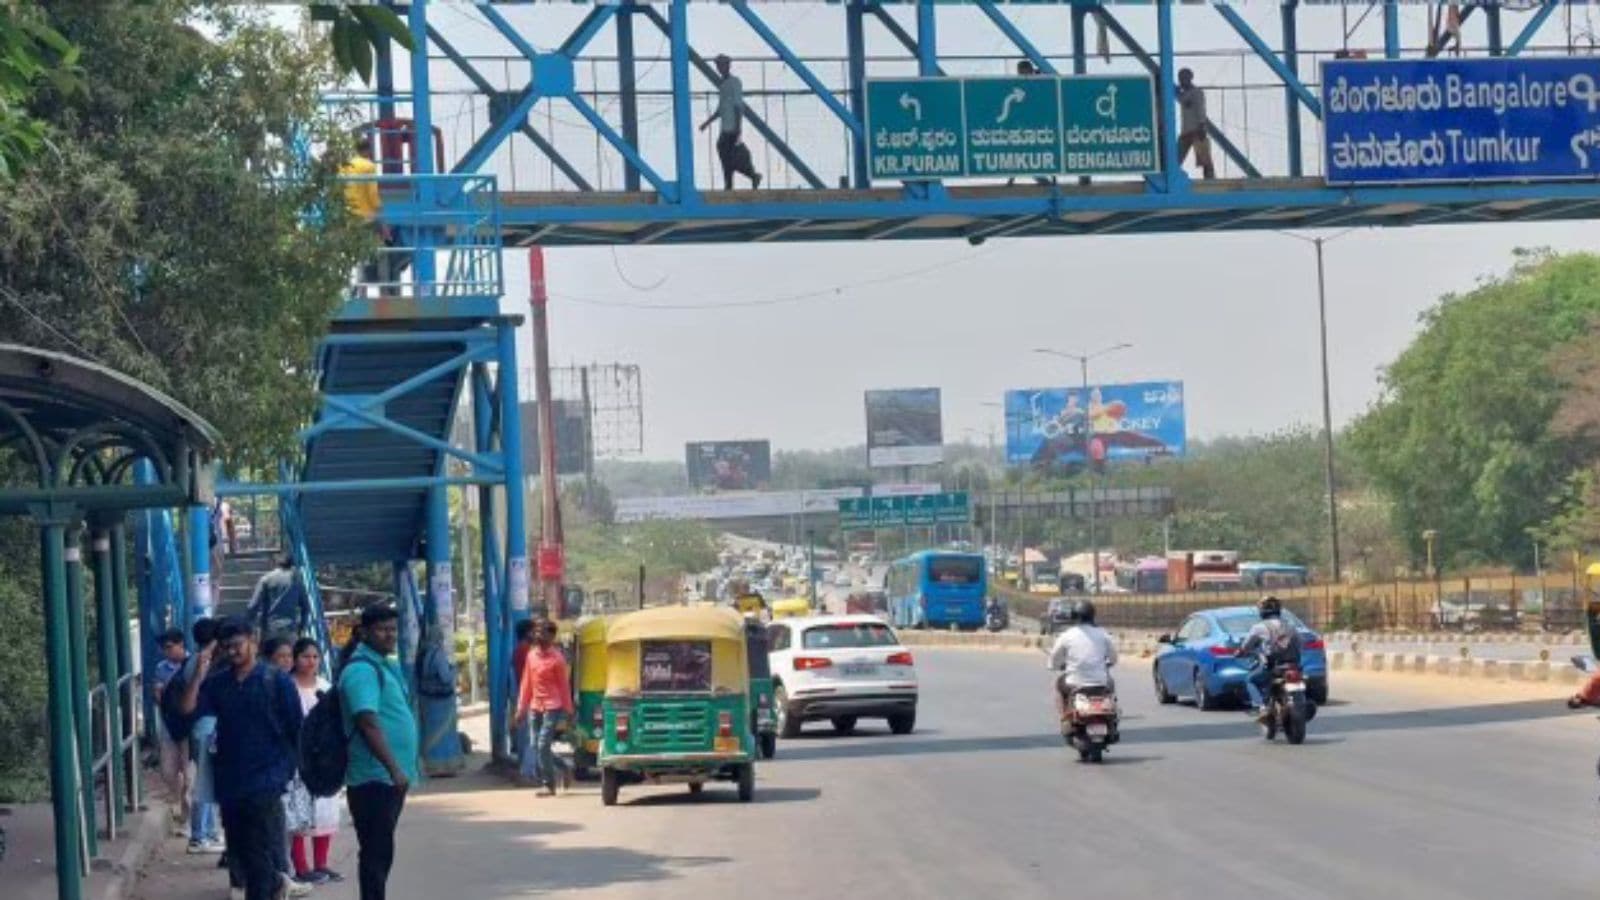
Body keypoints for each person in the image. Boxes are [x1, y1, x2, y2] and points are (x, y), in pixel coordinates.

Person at [180, 618, 305, 900]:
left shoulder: (277, 681)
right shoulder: (217, 683)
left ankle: (270, 884)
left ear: (253, 641)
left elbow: (296, 728)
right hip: (230, 780)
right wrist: (199, 674)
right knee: (241, 850)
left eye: (237, 646)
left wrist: (289, 770)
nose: (232, 652)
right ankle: (276, 882)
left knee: (259, 847)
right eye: (226, 648)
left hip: (268, 777)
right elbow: (187, 709)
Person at [339, 604, 419, 900]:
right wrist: (394, 768)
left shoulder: (384, 664)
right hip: (373, 777)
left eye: (393, 629)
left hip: (384, 776)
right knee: (376, 852)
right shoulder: (361, 670)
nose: (390, 635)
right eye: (383, 630)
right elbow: (367, 720)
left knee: (381, 850)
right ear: (364, 633)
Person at [288, 639, 343, 885]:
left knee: (326, 810)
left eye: (315, 657)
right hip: (299, 756)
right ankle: (301, 866)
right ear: (295, 659)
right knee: (299, 813)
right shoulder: (287, 687)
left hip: (324, 759)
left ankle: (321, 863)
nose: (311, 662)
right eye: (305, 656)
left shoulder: (326, 687)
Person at [179, 618, 226, 856]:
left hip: (202, 727)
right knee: (205, 781)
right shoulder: (202, 661)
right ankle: (199, 835)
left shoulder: (195, 660)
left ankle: (207, 831)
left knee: (208, 780)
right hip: (205, 727)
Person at [514, 619, 574, 794]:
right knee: (537, 745)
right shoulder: (531, 656)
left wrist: (569, 710)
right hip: (535, 706)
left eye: (541, 632)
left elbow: (563, 686)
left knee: (542, 744)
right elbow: (526, 683)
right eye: (536, 631)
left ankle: (549, 784)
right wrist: (521, 708)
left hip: (552, 706)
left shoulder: (557, 659)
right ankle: (564, 766)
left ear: (551, 636)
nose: (537, 635)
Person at [1044, 599, 1118, 722]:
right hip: (1100, 682)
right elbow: (1114, 658)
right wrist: (1109, 663)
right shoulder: (1103, 634)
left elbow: (1054, 659)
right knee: (1111, 684)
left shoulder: (1066, 636)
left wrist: (1053, 665)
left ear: (1074, 616)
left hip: (1074, 682)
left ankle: (1065, 715)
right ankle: (1112, 713)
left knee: (1059, 683)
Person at [698, 54, 762, 191]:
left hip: (732, 127)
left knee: (727, 154)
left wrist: (739, 127)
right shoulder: (723, 85)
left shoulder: (735, 82)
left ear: (728, 65)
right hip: (725, 127)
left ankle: (746, 177)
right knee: (726, 155)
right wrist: (707, 123)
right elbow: (720, 109)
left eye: (722, 64)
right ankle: (745, 178)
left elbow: (739, 105)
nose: (720, 68)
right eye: (718, 65)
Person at [1235, 595, 1303, 724]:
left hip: (1273, 667)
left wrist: (1239, 652)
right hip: (1294, 665)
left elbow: (1246, 647)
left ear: (1262, 611)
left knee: (1250, 680)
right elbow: (1300, 643)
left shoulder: (1259, 627)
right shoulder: (1290, 625)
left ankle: (1262, 708)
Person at [340, 134, 393, 293]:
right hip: (367, 217)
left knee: (359, 254)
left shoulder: (345, 166)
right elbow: (373, 196)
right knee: (382, 250)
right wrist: (384, 225)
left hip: (349, 217)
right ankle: (385, 290)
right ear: (368, 150)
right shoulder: (368, 166)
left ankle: (360, 291)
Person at [152, 628, 192, 838]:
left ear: (181, 644)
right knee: (168, 770)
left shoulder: (192, 665)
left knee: (189, 774)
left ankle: (187, 817)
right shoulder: (161, 668)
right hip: (169, 725)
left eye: (170, 647)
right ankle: (176, 799)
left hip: (188, 728)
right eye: (164, 648)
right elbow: (157, 692)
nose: (167, 652)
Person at [248, 555, 309, 641]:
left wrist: (249, 626)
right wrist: (302, 627)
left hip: (270, 629)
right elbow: (306, 607)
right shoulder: (296, 581)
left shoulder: (266, 579)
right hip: (290, 629)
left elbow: (253, 606)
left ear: (275, 564)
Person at [1176, 68, 1216, 180]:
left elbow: (1200, 109)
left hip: (1197, 129)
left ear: (1190, 78)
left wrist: (1202, 125)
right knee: (1176, 157)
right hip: (1186, 131)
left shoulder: (1197, 92)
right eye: (1180, 78)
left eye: (1184, 78)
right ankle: (1172, 175)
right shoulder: (1184, 94)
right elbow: (1178, 95)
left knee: (1204, 157)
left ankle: (1210, 178)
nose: (1181, 81)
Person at [509, 618, 538, 774]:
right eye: (534, 632)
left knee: (526, 735)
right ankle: (527, 771)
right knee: (532, 736)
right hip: (529, 696)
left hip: (523, 695)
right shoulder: (527, 652)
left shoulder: (519, 650)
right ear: (528, 633)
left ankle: (529, 767)